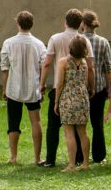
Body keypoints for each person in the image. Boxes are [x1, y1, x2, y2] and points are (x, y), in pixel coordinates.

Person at [39, 9, 95, 168]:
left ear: (65, 21)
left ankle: (51, 159)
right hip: (81, 92)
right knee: (82, 131)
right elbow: (90, 67)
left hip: (64, 92)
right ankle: (82, 160)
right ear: (80, 24)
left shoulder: (55, 39)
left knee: (55, 127)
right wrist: (91, 87)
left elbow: (48, 63)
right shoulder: (85, 42)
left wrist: (42, 85)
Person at [0, 11, 47, 164]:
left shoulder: (8, 43)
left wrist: (4, 88)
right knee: (36, 122)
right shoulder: (38, 44)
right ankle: (38, 158)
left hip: (14, 88)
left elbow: (5, 68)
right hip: (33, 88)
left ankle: (13, 157)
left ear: (18, 23)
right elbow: (43, 66)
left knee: (13, 123)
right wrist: (42, 84)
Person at [54, 34, 91, 171]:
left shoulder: (63, 62)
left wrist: (56, 102)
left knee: (69, 132)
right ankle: (86, 163)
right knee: (83, 132)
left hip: (68, 98)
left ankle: (71, 164)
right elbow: (85, 82)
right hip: (82, 98)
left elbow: (59, 84)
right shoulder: (84, 63)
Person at [80, 10, 111, 164]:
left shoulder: (77, 40)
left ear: (83, 24)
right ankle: (99, 155)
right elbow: (107, 67)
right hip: (99, 87)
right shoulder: (103, 42)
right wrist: (109, 88)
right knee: (97, 123)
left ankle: (80, 156)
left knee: (80, 124)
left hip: (81, 87)